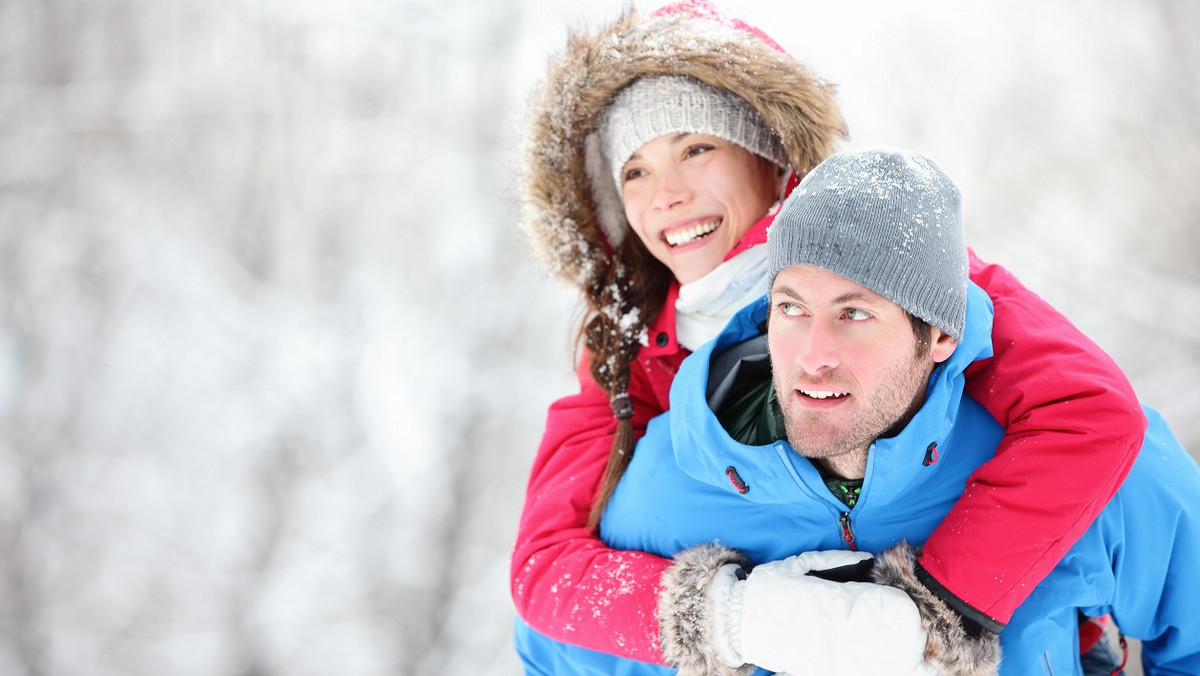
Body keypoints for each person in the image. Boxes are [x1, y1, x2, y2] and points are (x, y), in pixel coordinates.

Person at [513, 0, 1145, 669]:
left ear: (772, 156)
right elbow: (545, 567)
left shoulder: (891, 267)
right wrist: (735, 615)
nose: (664, 194)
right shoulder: (629, 349)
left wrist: (938, 603)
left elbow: (1090, 412)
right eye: (634, 170)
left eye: (695, 148)